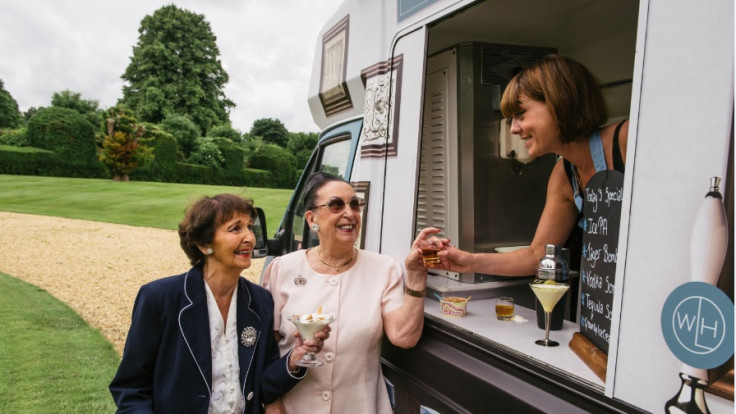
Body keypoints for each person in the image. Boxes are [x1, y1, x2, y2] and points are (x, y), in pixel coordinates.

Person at [110, 194, 329, 414]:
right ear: (204, 244)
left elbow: (263, 386)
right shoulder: (160, 298)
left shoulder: (259, 301)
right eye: (235, 229)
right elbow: (131, 387)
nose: (249, 238)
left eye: (249, 227)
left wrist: (295, 358)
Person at [432, 53, 628, 277]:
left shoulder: (627, 141)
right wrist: (468, 262)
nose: (513, 128)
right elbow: (537, 255)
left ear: (559, 102)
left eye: (521, 114)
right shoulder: (564, 174)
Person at [262, 172, 431, 414]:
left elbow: (404, 336)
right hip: (295, 407)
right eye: (336, 205)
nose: (350, 213)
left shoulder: (384, 268)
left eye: (355, 204)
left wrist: (416, 277)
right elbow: (266, 350)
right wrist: (272, 404)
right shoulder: (283, 269)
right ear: (311, 219)